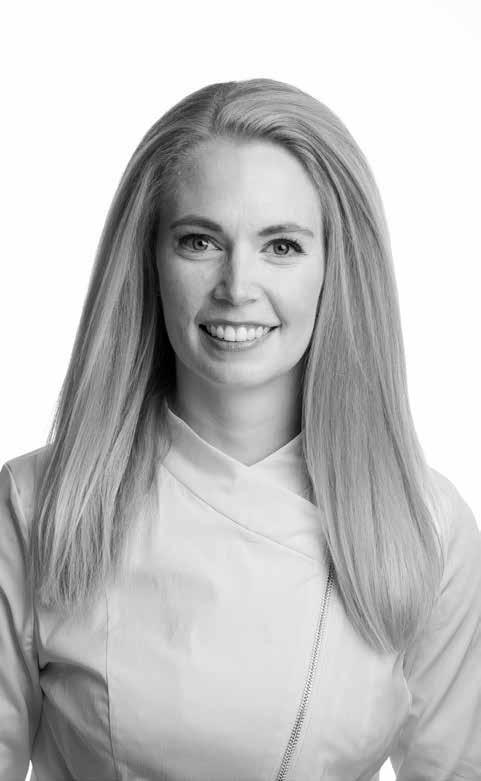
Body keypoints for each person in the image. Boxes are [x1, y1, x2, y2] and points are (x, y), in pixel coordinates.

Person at [1, 78, 480, 781]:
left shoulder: (425, 528)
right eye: (199, 241)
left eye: (281, 246)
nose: (236, 286)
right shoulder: (38, 505)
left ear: (336, 268)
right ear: (149, 260)